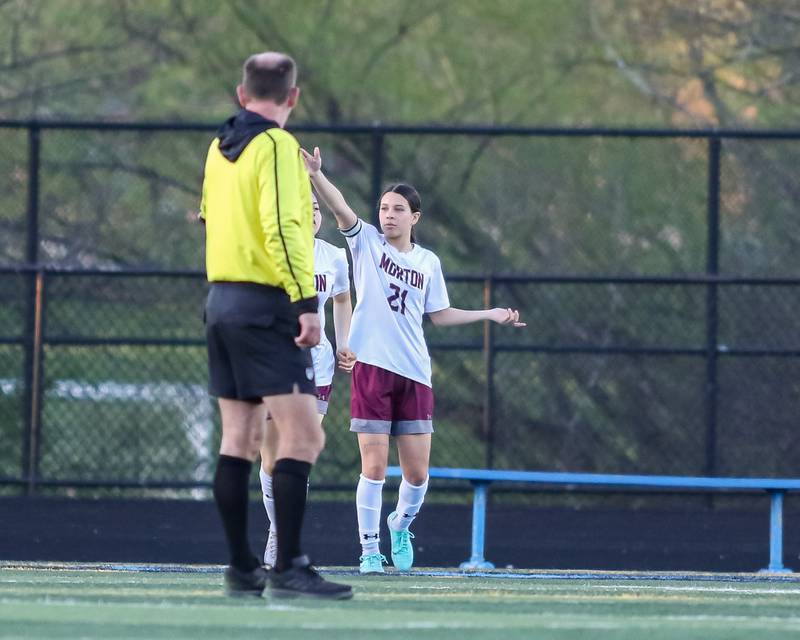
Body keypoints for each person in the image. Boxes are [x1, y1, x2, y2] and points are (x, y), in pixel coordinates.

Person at [302, 146, 525, 574]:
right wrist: (317, 176)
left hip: (415, 374)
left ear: (414, 218)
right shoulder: (365, 241)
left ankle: (399, 525)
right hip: (370, 369)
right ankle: (370, 549)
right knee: (373, 465)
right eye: (384, 208)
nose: (388, 215)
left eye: (398, 209)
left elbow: (439, 315)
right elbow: (340, 208)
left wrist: (489, 314)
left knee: (417, 474)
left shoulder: (427, 262)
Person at [199, 52, 351, 599]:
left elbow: (210, 220)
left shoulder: (219, 149)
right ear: (293, 97)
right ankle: (289, 565)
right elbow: (287, 230)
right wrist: (307, 304)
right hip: (267, 307)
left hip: (221, 302)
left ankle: (243, 567)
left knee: (239, 436)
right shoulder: (278, 147)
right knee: (305, 434)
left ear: (243, 95)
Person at [258, 193, 356, 568]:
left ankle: (286, 536)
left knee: (297, 453)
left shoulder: (332, 256)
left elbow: (343, 300)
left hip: (317, 365)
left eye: (315, 209)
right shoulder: (271, 251)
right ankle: (277, 526)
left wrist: (345, 342)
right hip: (273, 362)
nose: (311, 215)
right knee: (270, 460)